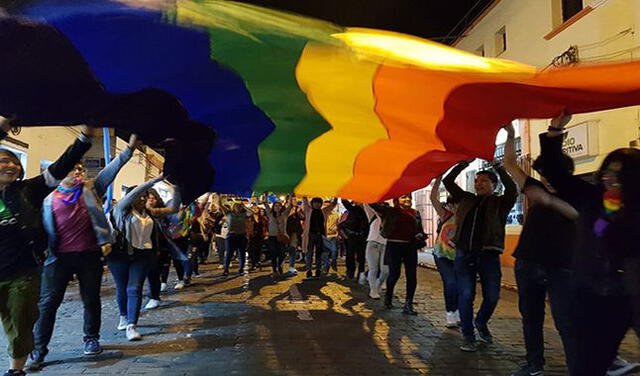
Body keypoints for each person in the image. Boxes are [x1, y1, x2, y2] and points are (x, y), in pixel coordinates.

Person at [538, 114, 640, 376]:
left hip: (633, 293)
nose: (610, 178)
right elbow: (554, 172)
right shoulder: (592, 198)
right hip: (594, 295)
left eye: (619, 173)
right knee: (589, 364)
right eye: (607, 171)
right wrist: (555, 130)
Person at [27, 134, 139, 370]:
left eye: (81, 170)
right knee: (48, 304)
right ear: (61, 172)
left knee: (90, 300)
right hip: (58, 257)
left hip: (89, 255)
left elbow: (112, 170)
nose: (79, 173)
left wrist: (128, 151)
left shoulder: (91, 189)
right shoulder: (47, 197)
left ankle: (91, 339)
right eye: (73, 170)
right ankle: (38, 350)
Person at [0, 119, 93, 376]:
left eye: (13, 161)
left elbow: (60, 167)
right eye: (2, 160)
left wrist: (84, 139)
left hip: (22, 272)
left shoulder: (28, 191)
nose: (9, 165)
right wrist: (4, 126)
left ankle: (15, 370)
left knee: (20, 323)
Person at [499, 123, 581, 376]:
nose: (546, 177)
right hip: (528, 261)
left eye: (551, 172)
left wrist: (550, 201)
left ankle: (578, 366)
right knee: (531, 317)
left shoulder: (579, 192)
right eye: (544, 173)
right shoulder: (536, 187)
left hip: (561, 266)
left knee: (566, 321)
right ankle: (534, 364)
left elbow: (579, 215)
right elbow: (511, 164)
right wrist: (511, 135)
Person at [443, 158, 517, 352]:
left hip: (488, 255)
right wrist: (462, 163)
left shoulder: (500, 203)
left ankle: (481, 321)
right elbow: (448, 182)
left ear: (494, 185)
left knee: (492, 296)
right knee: (466, 295)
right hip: (464, 254)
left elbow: (512, 190)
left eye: (484, 181)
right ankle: (468, 336)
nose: (479, 184)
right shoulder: (467, 199)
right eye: (477, 181)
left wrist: (499, 167)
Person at [109, 176, 180, 341]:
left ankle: (132, 325)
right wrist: (155, 180)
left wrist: (176, 188)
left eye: (145, 196)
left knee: (135, 288)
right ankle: (123, 316)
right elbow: (131, 196)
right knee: (122, 288)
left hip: (143, 255)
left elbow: (174, 208)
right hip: (120, 255)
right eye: (139, 195)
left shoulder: (149, 213)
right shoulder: (121, 210)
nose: (143, 198)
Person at [371, 195, 426, 315]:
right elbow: (373, 205)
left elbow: (419, 229)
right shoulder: (390, 211)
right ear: (396, 200)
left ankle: (408, 303)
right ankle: (388, 296)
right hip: (394, 246)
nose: (407, 200)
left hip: (410, 247)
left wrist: (421, 235)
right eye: (403, 197)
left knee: (411, 275)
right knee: (394, 274)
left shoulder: (415, 213)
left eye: (409, 197)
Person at [430, 176, 460, 328]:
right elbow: (432, 197)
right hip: (442, 255)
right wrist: (438, 178)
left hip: (460, 257)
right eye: (451, 205)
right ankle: (450, 313)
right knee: (450, 282)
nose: (454, 208)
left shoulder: (468, 218)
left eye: (457, 205)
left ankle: (459, 311)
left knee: (461, 285)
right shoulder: (446, 215)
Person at [217, 196, 254, 276]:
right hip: (231, 235)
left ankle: (241, 269)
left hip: (241, 235)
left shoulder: (244, 215)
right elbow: (220, 205)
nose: (237, 207)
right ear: (233, 207)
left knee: (241, 253)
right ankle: (226, 269)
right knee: (229, 253)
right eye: (236, 206)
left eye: (239, 206)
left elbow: (251, 212)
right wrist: (219, 198)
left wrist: (244, 205)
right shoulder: (229, 213)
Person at [302, 197, 337, 279]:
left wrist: (336, 196)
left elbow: (332, 205)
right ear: (312, 203)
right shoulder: (308, 210)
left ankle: (318, 270)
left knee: (319, 254)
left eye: (318, 203)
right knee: (309, 253)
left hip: (320, 236)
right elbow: (304, 200)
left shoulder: (324, 211)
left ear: (321, 204)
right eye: (315, 202)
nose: (317, 204)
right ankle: (309, 271)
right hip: (310, 235)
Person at [363, 204, 388, 300]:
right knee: (373, 269)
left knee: (385, 270)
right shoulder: (372, 215)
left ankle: (378, 284)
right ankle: (373, 290)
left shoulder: (389, 217)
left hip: (385, 244)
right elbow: (366, 204)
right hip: (372, 243)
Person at [340, 200, 369, 282]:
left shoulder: (368, 211)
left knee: (361, 257)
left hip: (362, 236)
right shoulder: (354, 209)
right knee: (350, 255)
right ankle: (350, 272)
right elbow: (346, 204)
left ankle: (361, 274)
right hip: (352, 236)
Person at [263, 196, 293, 276]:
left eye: (279, 206)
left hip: (282, 237)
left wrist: (290, 196)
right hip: (272, 237)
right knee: (273, 253)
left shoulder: (284, 214)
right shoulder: (270, 214)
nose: (277, 207)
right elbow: (265, 204)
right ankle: (274, 270)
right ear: (273, 207)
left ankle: (279, 266)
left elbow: (290, 206)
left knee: (281, 253)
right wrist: (265, 196)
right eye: (276, 205)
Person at [247, 204, 267, 271]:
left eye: (256, 208)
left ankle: (258, 261)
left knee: (259, 249)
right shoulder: (250, 218)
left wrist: (266, 234)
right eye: (253, 208)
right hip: (252, 235)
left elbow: (266, 226)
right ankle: (253, 264)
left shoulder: (263, 218)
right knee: (252, 249)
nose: (255, 210)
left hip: (260, 235)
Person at [286, 204, 304, 274]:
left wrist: (298, 212)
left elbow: (303, 217)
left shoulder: (297, 212)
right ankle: (279, 266)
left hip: (294, 234)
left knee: (292, 250)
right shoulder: (284, 210)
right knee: (282, 251)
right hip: (284, 233)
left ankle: (291, 266)